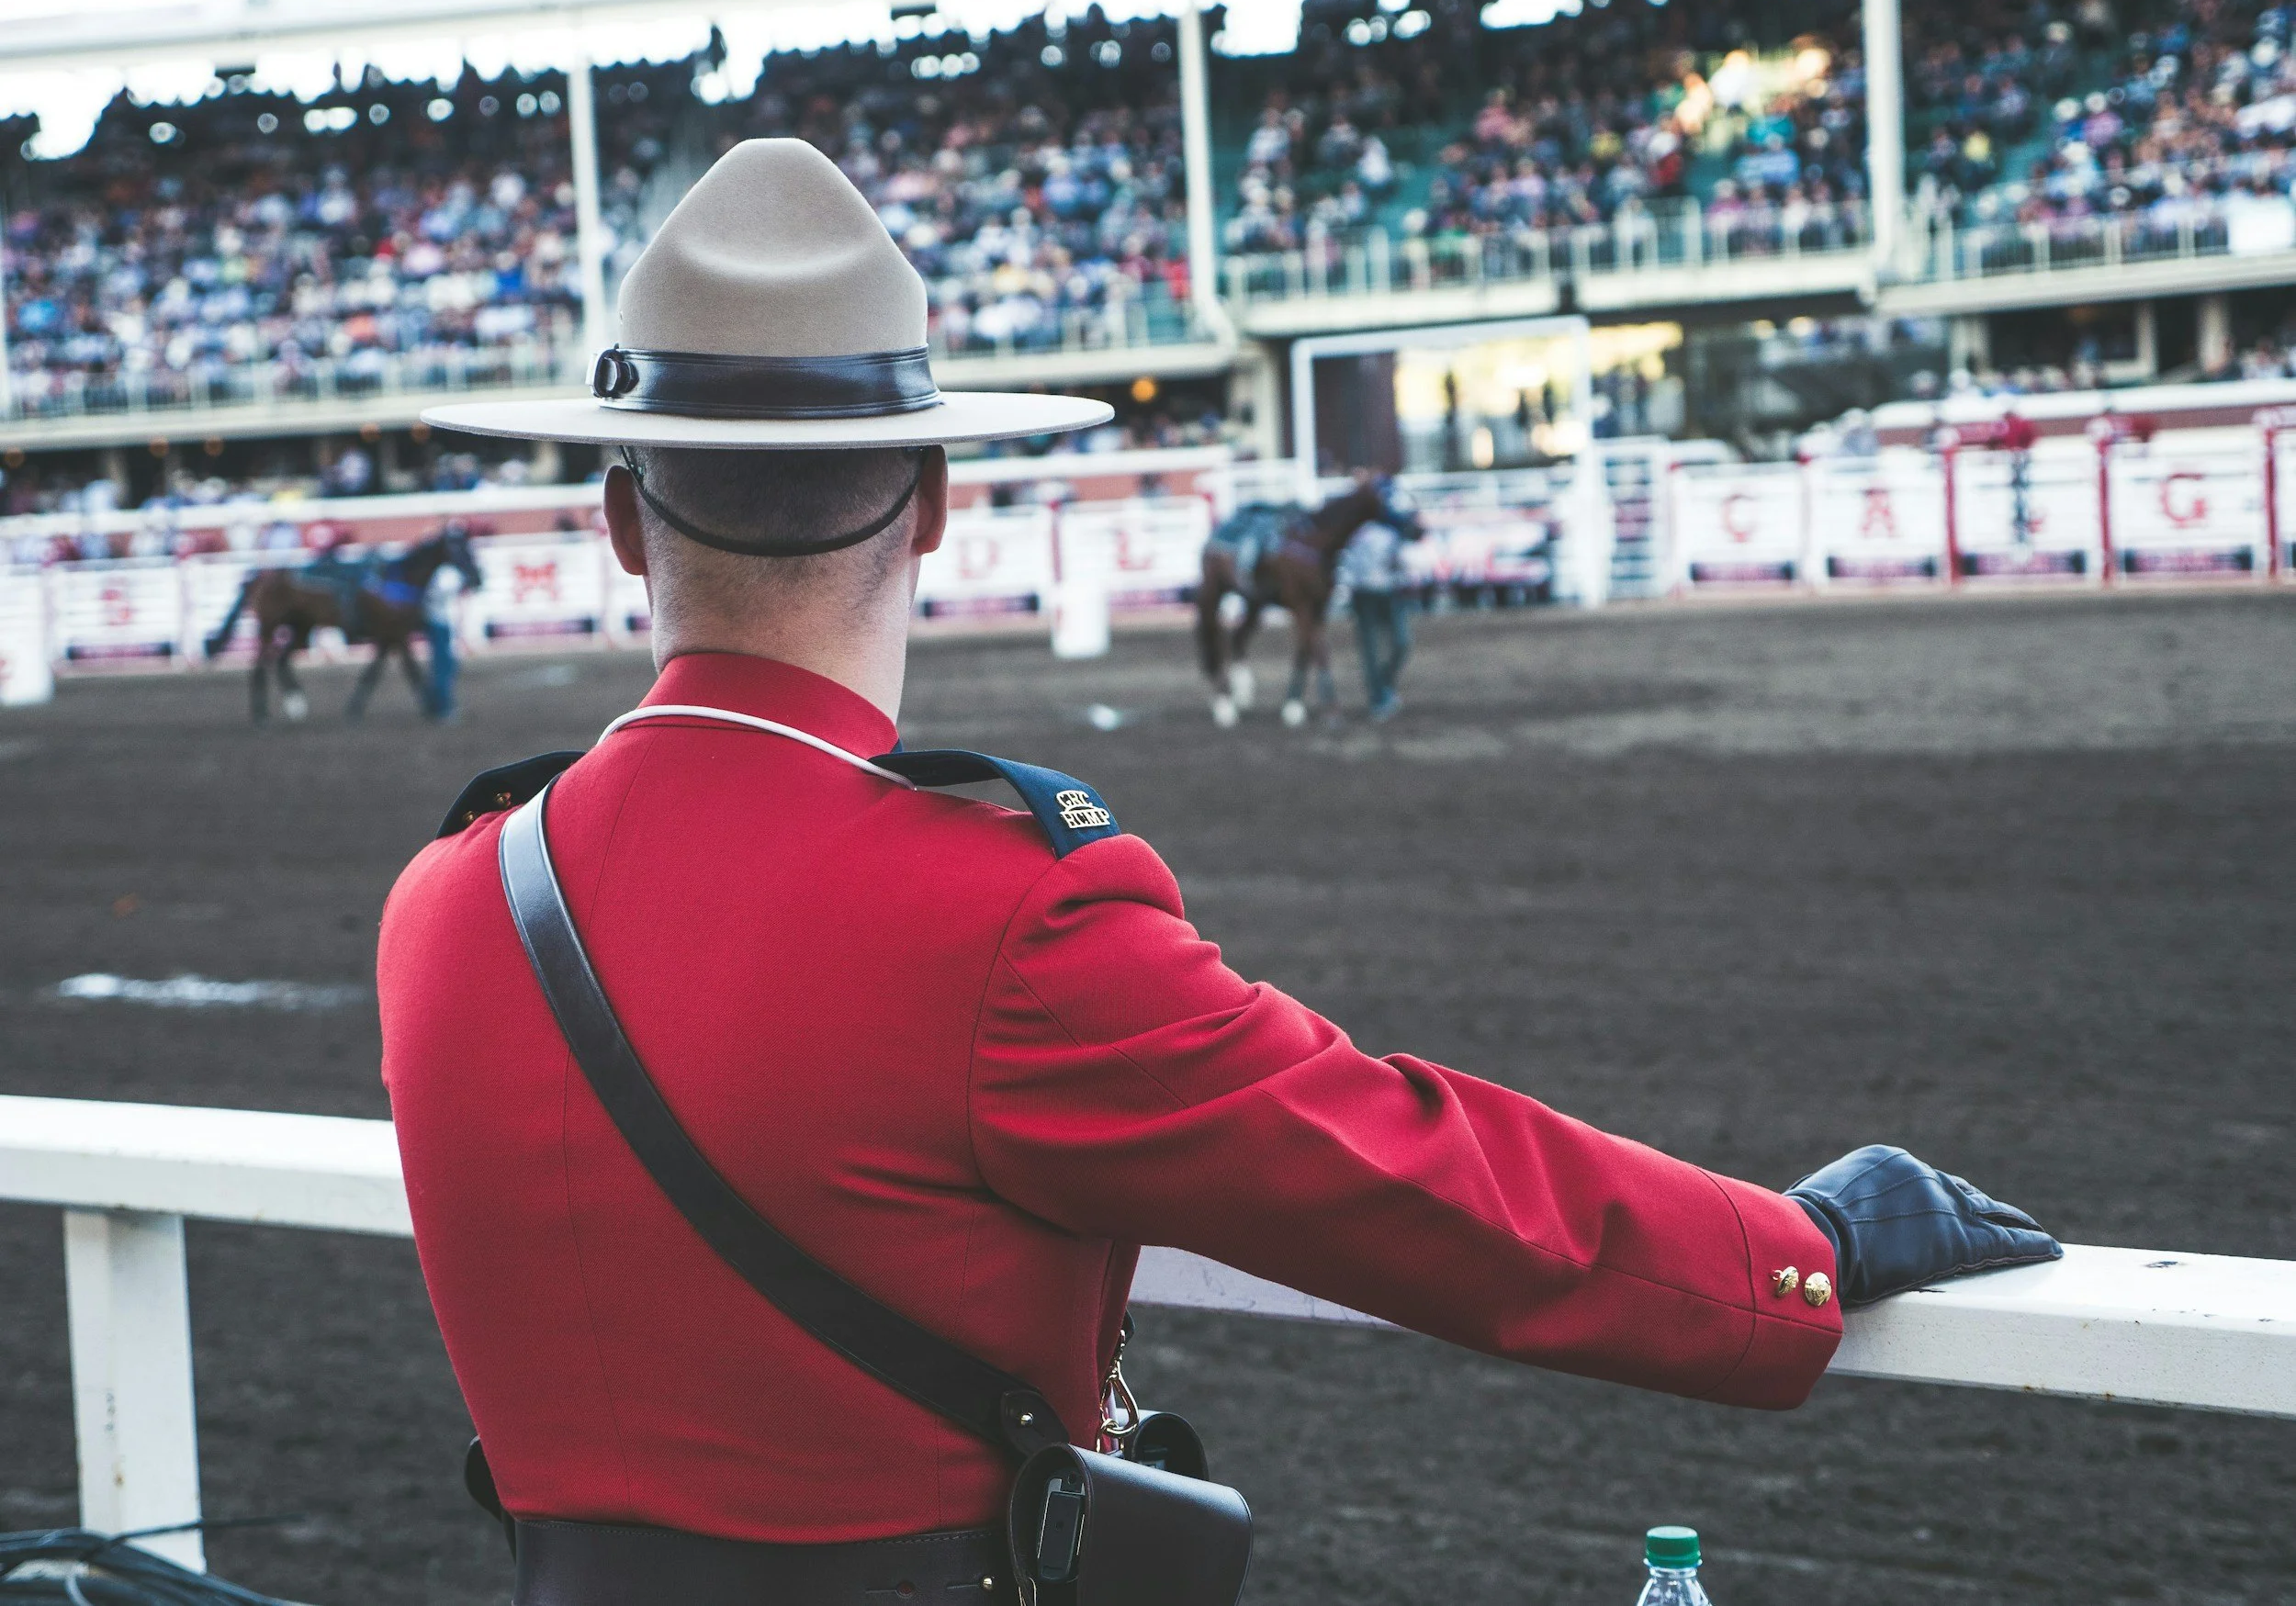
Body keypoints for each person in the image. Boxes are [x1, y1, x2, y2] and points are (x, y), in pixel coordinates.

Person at [377, 140, 2058, 1606]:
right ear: (939, 501)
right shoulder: (995, 917)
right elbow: (1409, 1176)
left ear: (616, 517)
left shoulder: (447, 897)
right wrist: (1792, 1248)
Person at [1337, 484, 1416, 720]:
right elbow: (1348, 564)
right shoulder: (1359, 533)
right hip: (1365, 596)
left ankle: (1385, 685)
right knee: (1370, 650)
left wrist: (1402, 572)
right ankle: (1379, 697)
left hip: (1391, 594)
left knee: (1402, 643)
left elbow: (1403, 563)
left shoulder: (1395, 533)